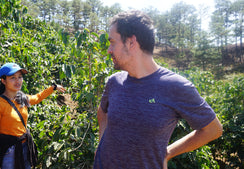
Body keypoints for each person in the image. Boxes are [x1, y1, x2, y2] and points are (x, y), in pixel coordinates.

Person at [93, 10, 223, 169]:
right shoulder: (114, 81)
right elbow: (102, 112)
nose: (109, 50)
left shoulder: (175, 86)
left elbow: (213, 130)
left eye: (112, 42)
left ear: (131, 42)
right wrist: (101, 144)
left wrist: (167, 153)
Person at [0, 63, 65, 169]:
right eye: (12, 78)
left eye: (20, 77)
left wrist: (53, 88)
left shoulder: (22, 98)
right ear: (3, 81)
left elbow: (37, 97)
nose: (18, 81)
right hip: (9, 151)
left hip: (24, 147)